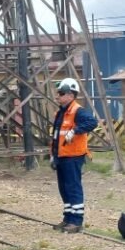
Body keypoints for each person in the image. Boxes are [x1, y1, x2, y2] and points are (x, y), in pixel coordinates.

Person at [50, 77, 97, 234]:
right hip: (61, 156)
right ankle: (68, 218)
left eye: (61, 93)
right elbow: (57, 136)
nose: (58, 96)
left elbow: (92, 122)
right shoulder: (61, 113)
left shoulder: (78, 111)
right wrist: (53, 155)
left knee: (73, 188)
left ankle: (76, 222)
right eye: (58, 93)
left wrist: (75, 131)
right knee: (64, 189)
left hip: (73, 156)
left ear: (71, 95)